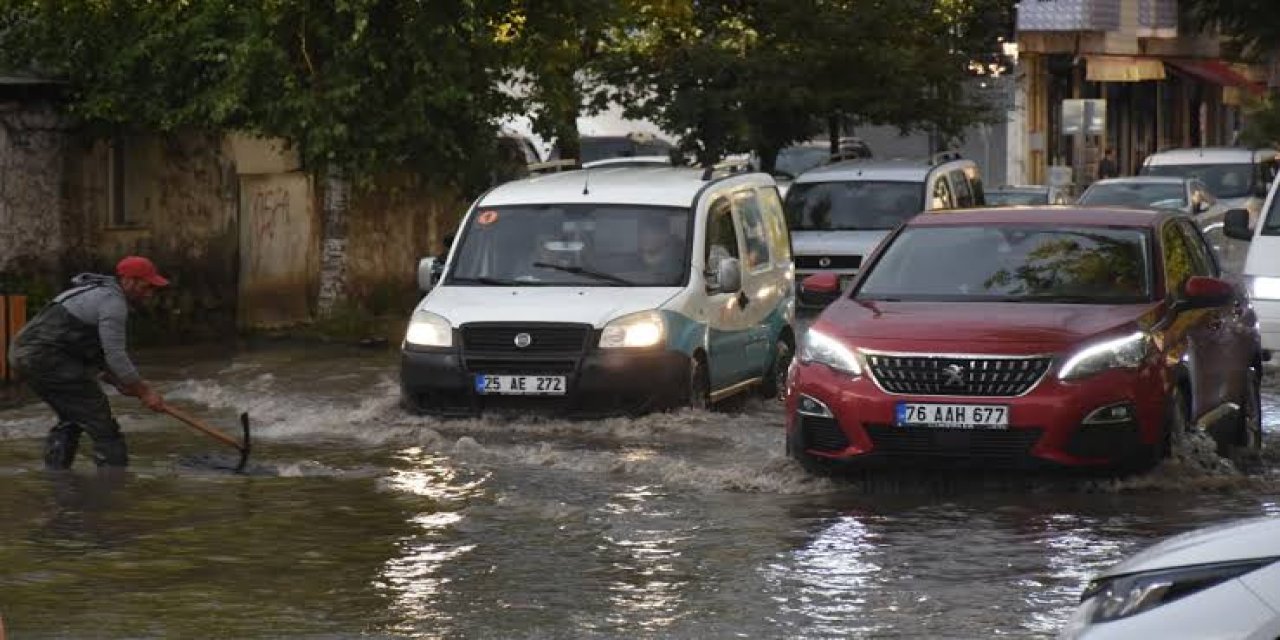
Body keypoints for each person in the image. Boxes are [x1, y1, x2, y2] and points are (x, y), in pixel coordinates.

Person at [7, 256, 169, 469]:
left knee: (73, 416)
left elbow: (93, 353)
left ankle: (57, 478)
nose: (149, 294)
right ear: (128, 281)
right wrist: (144, 390)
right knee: (101, 421)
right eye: (146, 286)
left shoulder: (96, 292)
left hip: (24, 354)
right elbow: (115, 355)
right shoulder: (113, 303)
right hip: (46, 357)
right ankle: (116, 484)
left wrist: (123, 383)